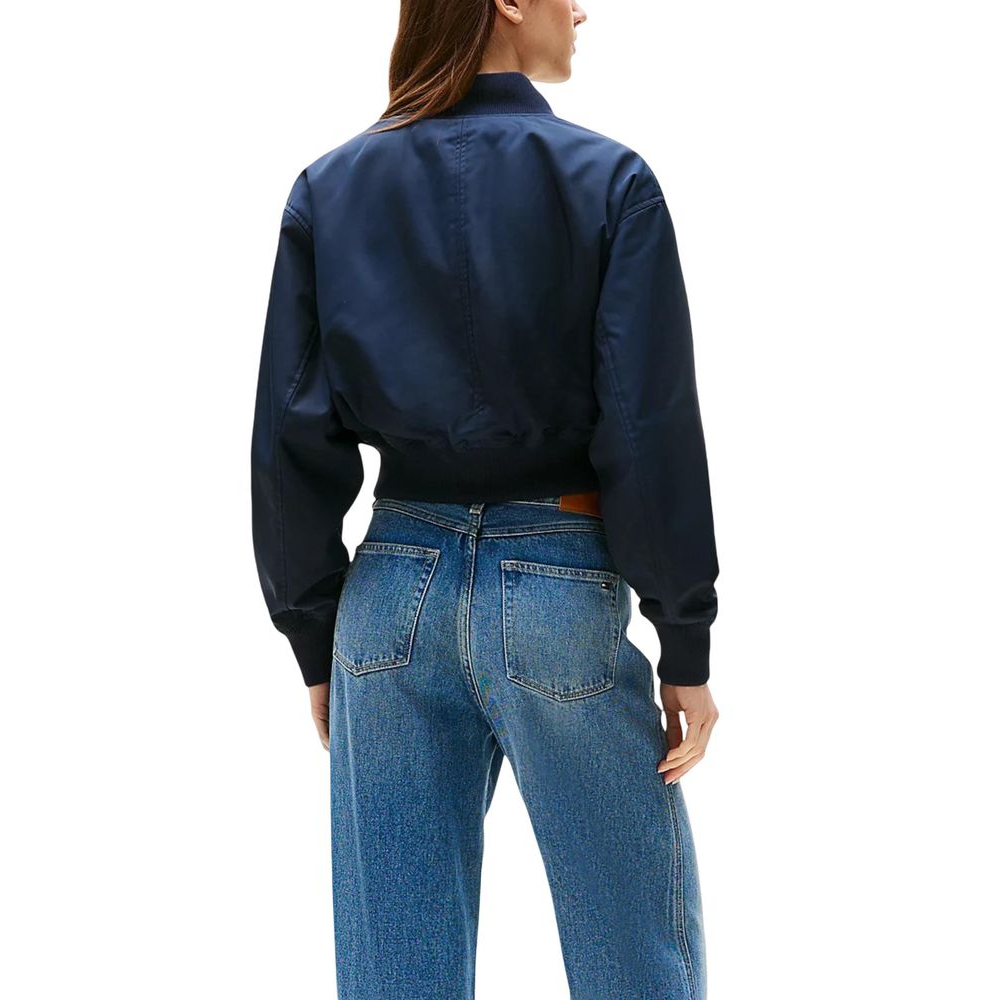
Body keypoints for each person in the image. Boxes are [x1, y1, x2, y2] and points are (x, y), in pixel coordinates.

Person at [250, 1, 720, 996]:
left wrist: (315, 635)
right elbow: (647, 431)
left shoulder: (329, 188)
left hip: (390, 599)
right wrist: (684, 639)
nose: (581, 8)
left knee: (394, 973)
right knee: (635, 952)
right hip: (558, 586)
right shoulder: (610, 181)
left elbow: (290, 439)